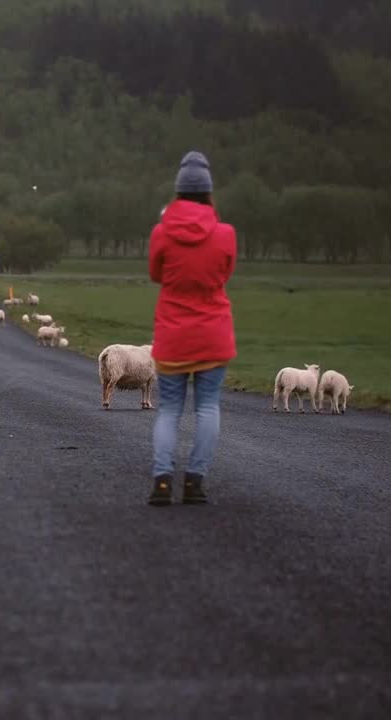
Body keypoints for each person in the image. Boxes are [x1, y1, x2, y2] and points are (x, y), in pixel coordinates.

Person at [146, 151, 237, 506]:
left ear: (178, 192)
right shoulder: (225, 234)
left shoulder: (161, 232)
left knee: (169, 409)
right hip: (213, 333)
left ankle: (162, 480)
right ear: (209, 192)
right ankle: (195, 481)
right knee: (208, 407)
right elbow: (224, 275)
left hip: (172, 334)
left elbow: (156, 274)